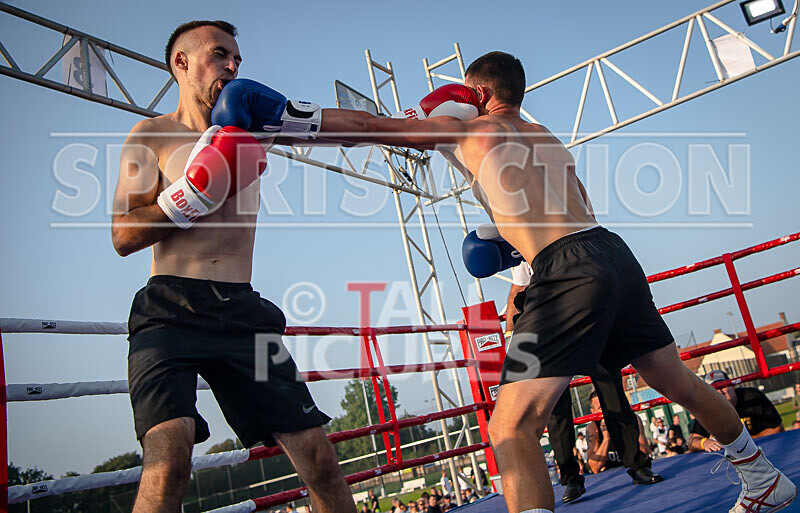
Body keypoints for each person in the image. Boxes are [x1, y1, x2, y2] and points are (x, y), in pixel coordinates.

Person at [211, 51, 797, 513]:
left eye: (467, 93)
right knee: (674, 379)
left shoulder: (470, 132)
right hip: (613, 253)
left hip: (566, 269)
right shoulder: (547, 139)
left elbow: (370, 127)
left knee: (510, 425)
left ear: (479, 95)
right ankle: (761, 476)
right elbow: (574, 204)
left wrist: (286, 121)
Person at [111, 20, 356, 513]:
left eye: (238, 59)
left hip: (242, 312)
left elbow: (338, 129)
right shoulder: (151, 134)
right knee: (169, 458)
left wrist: (416, 128)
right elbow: (122, 234)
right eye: (220, 54)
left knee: (319, 460)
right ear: (182, 63)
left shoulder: (255, 128)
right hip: (170, 308)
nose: (233, 66)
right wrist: (187, 199)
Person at [507, 263, 662, 503]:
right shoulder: (523, 246)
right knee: (555, 407)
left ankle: (637, 464)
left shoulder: (570, 236)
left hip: (587, 314)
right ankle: (570, 479)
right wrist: (514, 337)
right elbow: (518, 288)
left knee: (611, 390)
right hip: (549, 326)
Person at [688, 370, 784, 453]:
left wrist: (743, 443)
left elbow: (777, 428)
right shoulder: (707, 409)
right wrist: (704, 443)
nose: (720, 392)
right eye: (715, 389)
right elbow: (692, 442)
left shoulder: (752, 396)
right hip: (732, 460)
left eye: (723, 386)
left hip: (766, 449)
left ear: (732, 386)